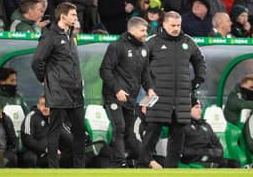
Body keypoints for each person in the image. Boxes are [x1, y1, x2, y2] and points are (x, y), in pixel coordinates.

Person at [137, 11, 206, 168]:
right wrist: (146, 89)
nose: (176, 28)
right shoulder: (152, 42)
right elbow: (138, 66)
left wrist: (198, 80)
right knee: (152, 133)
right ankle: (141, 165)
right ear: (164, 24)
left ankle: (171, 169)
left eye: (178, 25)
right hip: (156, 96)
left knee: (178, 136)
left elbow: (200, 61)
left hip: (181, 98)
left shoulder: (188, 42)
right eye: (172, 25)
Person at [31, 2, 85, 168]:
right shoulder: (50, 35)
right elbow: (37, 61)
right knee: (54, 131)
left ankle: (79, 168)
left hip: (75, 92)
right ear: (63, 16)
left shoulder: (71, 36)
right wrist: (44, 79)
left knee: (80, 131)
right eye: (73, 15)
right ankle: (53, 168)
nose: (76, 18)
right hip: (58, 91)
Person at [100, 16, 156, 167]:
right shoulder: (117, 46)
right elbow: (105, 70)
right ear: (132, 30)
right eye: (143, 30)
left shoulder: (144, 49)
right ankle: (121, 163)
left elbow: (145, 74)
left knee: (129, 133)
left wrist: (150, 88)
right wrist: (117, 90)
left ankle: (138, 161)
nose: (146, 33)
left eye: (146, 30)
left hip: (131, 98)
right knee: (120, 128)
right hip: (114, 95)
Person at [181, 96, 240, 168]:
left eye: (200, 107)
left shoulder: (206, 126)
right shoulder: (182, 126)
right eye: (196, 107)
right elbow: (182, 150)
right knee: (221, 165)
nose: (200, 110)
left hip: (210, 158)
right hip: (193, 160)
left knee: (234, 164)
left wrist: (214, 152)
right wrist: (205, 152)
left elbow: (218, 145)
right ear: (188, 109)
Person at [20, 95, 73, 168]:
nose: (45, 107)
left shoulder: (56, 117)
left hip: (54, 152)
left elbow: (69, 138)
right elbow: (27, 140)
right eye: (43, 104)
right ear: (38, 106)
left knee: (73, 153)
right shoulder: (31, 117)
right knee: (30, 157)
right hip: (35, 152)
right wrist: (46, 149)